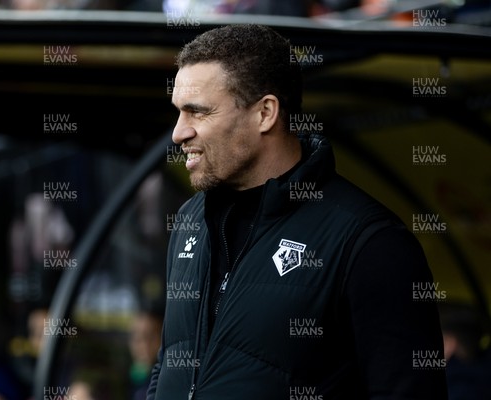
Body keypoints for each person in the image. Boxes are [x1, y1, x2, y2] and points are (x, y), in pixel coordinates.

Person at [146, 24, 448, 399]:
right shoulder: (190, 219)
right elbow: (170, 360)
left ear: (265, 113)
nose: (178, 133)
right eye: (178, 112)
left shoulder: (368, 241)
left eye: (198, 113)